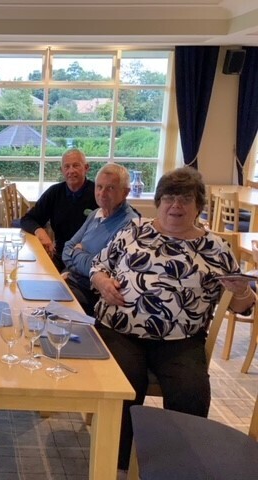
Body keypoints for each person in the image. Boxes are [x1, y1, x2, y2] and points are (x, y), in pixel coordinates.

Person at [89, 166, 256, 472]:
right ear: (159, 201)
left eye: (185, 198)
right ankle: (119, 459)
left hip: (180, 339)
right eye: (169, 197)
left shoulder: (215, 248)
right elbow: (99, 266)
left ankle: (178, 465)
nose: (176, 205)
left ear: (198, 205)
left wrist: (242, 290)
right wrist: (102, 283)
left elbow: (243, 307)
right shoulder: (134, 230)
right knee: (125, 381)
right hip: (121, 329)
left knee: (191, 391)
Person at [62, 163, 138, 315]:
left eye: (110, 188)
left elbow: (108, 269)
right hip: (72, 280)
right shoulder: (96, 213)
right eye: (99, 187)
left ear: (125, 192)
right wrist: (84, 257)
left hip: (91, 295)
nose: (102, 193)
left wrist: (77, 253)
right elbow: (67, 249)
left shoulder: (130, 224)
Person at [20, 148, 98, 271]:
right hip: (59, 255)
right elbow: (27, 219)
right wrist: (39, 231)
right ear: (62, 170)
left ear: (86, 168)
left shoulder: (98, 193)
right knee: (29, 270)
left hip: (88, 258)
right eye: (66, 167)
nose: (71, 171)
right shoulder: (55, 192)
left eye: (76, 165)